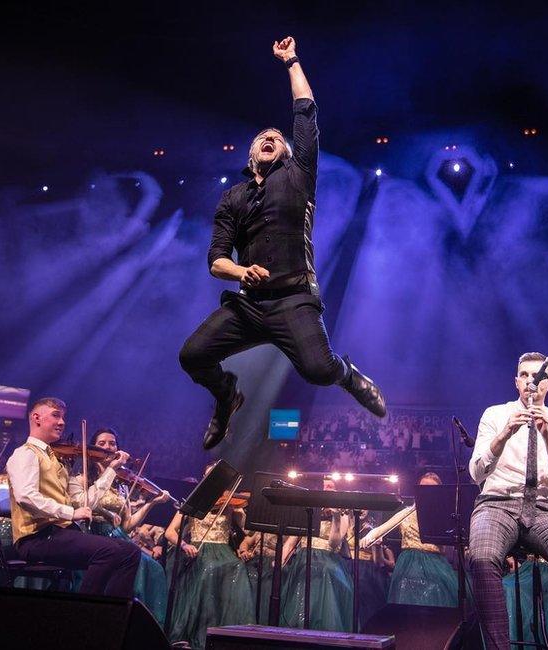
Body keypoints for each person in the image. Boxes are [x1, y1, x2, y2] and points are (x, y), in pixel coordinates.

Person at [178, 36, 386, 450]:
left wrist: (291, 60)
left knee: (319, 370)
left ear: (287, 151)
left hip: (294, 300)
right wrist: (241, 271)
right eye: (262, 137)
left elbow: (305, 111)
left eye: (277, 136)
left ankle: (350, 375)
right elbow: (216, 260)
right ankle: (227, 395)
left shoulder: (299, 175)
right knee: (192, 355)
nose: (270, 137)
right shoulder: (233, 196)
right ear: (252, 153)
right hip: (250, 304)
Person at [468, 352, 548, 650]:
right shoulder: (495, 415)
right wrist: (503, 435)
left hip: (545, 507)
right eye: (524, 376)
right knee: (482, 557)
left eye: (537, 377)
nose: (530, 383)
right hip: (498, 502)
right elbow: (476, 473)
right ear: (516, 381)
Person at [5, 397, 140, 598]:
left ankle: (113, 610)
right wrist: (70, 513)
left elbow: (84, 501)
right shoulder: (25, 453)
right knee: (109, 551)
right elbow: (26, 496)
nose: (62, 422)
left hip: (58, 534)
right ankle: (85, 609)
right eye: (56, 415)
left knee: (130, 552)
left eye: (63, 417)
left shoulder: (56, 460)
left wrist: (111, 470)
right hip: (36, 537)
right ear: (36, 418)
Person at [68, 427, 170, 626]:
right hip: (92, 535)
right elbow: (84, 503)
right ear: (92, 449)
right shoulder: (80, 478)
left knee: (154, 568)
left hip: (118, 536)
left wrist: (151, 503)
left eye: (112, 443)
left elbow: (128, 524)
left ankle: (141, 626)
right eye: (102, 444)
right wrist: (106, 511)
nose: (107, 447)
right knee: (139, 566)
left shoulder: (122, 485)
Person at [164, 462, 254, 650]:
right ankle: (195, 633)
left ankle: (224, 634)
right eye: (209, 476)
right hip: (197, 549)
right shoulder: (192, 501)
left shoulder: (229, 503)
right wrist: (184, 544)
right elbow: (170, 532)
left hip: (223, 550)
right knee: (208, 569)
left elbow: (248, 532)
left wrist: (240, 512)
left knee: (237, 568)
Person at [279, 478, 355, 632]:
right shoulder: (309, 510)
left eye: (331, 486)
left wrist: (335, 518)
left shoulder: (344, 513)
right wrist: (281, 560)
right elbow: (292, 540)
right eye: (324, 486)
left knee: (325, 575)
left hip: (328, 557)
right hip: (305, 556)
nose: (326, 489)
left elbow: (334, 544)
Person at [380, 473, 459, 607]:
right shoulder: (406, 512)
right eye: (423, 487)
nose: (426, 492)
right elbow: (383, 528)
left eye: (431, 489)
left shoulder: (443, 513)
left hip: (434, 563)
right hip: (407, 562)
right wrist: (372, 536)